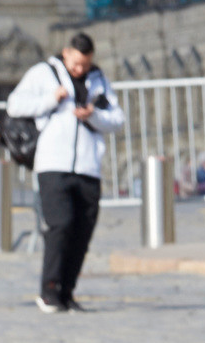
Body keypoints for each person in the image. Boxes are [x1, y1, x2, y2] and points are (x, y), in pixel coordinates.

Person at [6, 32, 121, 313]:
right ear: (66, 53)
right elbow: (15, 104)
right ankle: (49, 290)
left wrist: (92, 115)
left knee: (82, 230)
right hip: (53, 164)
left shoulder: (99, 80)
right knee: (60, 226)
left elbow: (117, 119)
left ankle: (67, 291)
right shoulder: (43, 73)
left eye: (85, 64)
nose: (80, 70)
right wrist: (50, 99)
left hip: (88, 166)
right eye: (76, 63)